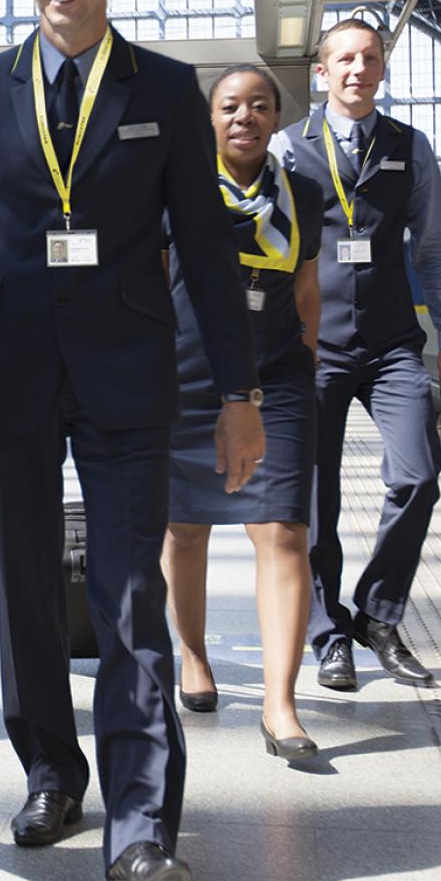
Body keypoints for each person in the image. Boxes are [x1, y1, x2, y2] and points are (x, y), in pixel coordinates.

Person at [0, 0, 262, 881]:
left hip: (127, 377)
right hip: (7, 374)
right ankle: (49, 773)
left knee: (128, 597)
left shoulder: (164, 88)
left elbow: (207, 249)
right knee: (25, 585)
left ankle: (140, 826)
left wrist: (238, 391)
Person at [270, 18, 441, 691]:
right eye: (345, 59)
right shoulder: (287, 148)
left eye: (371, 58)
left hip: (391, 345)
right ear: (321, 72)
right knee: (315, 499)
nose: (359, 69)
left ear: (383, 68)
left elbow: (435, 249)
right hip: (312, 348)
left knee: (418, 473)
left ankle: (378, 615)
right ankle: (329, 635)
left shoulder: (409, 148)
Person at [162, 66, 323, 761]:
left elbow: (309, 292)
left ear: (276, 118)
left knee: (283, 532)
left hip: (275, 380)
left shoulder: (305, 196)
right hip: (184, 380)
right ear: (211, 119)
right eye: (231, 106)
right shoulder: (177, 194)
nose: (245, 117)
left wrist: (301, 365)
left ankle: (279, 703)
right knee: (185, 530)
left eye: (261, 106)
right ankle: (193, 657)